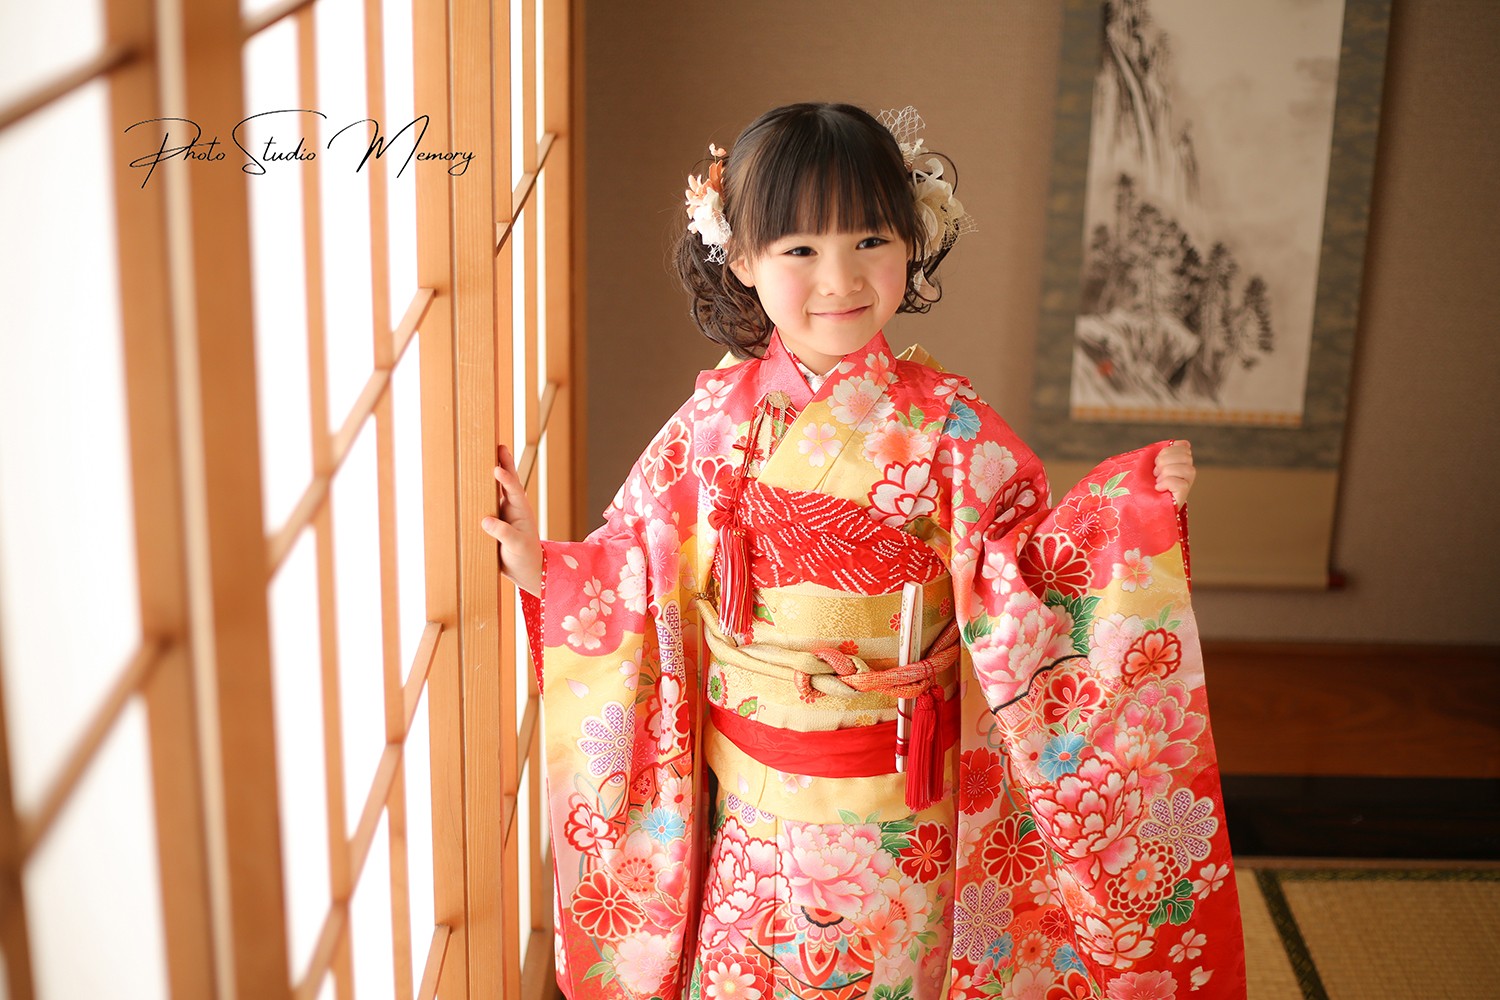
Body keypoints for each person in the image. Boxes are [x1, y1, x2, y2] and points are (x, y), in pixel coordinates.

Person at [481, 103, 1245, 1000]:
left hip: (899, 816)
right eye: (800, 249)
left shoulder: (952, 427)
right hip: (748, 815)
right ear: (741, 258)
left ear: (912, 241)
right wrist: (546, 567)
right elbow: (635, 569)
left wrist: (1128, 515)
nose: (839, 278)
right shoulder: (714, 422)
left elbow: (1033, 580)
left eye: (870, 240)